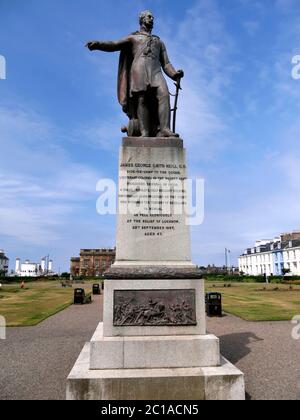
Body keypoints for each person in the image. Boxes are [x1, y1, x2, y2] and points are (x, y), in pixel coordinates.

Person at [86, 10, 184, 138]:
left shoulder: (159, 42)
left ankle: (165, 129)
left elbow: (166, 64)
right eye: (149, 16)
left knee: (164, 95)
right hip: (139, 71)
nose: (152, 18)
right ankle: (145, 132)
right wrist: (98, 44)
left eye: (152, 17)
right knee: (141, 99)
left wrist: (174, 74)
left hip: (156, 72)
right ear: (142, 19)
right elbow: (114, 44)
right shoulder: (133, 38)